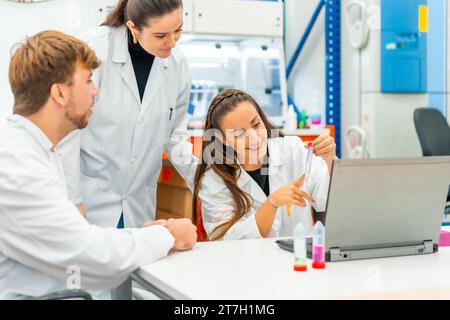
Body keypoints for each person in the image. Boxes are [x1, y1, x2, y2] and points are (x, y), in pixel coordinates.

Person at [0, 30, 196, 299]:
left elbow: (77, 239)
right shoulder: (15, 165)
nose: (96, 90)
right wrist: (168, 235)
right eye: (89, 80)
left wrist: (140, 238)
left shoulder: (40, 152)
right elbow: (87, 254)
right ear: (59, 93)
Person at [63, 0, 197, 228]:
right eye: (161, 35)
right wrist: (74, 201)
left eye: (178, 30)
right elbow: (66, 135)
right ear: (133, 28)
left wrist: (205, 178)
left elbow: (175, 135)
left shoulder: (177, 64)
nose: (172, 42)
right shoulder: (92, 50)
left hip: (138, 204)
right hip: (89, 199)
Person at [193, 89, 336, 241]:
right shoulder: (214, 179)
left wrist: (329, 161)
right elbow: (224, 240)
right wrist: (271, 204)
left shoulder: (292, 149)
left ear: (262, 118)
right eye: (239, 134)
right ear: (223, 139)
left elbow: (327, 201)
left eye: (256, 124)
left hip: (298, 260)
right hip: (247, 263)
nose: (254, 138)